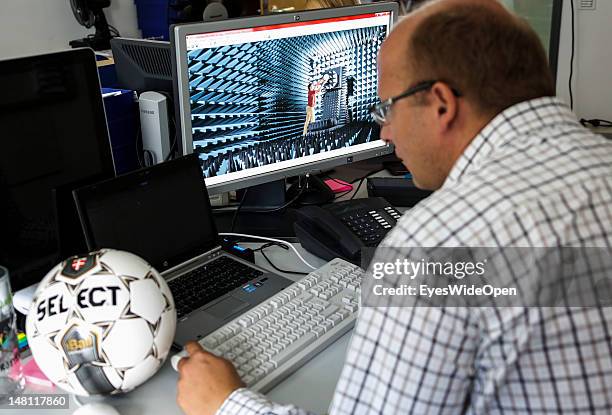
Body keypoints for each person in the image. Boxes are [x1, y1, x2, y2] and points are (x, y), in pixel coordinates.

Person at [176, 1, 612, 414]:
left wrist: (224, 402)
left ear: (441, 104)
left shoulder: (437, 245)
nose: (385, 131)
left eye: (388, 107)